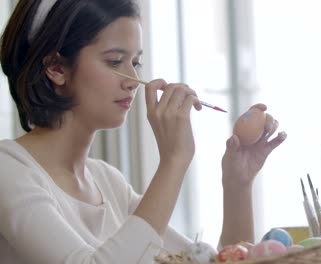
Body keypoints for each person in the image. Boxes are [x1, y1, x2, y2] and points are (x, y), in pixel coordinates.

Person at [0, 0, 287, 263]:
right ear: (56, 67)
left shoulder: (107, 182)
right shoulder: (9, 170)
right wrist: (173, 161)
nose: (134, 80)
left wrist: (237, 184)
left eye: (135, 62)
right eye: (115, 61)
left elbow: (212, 261)